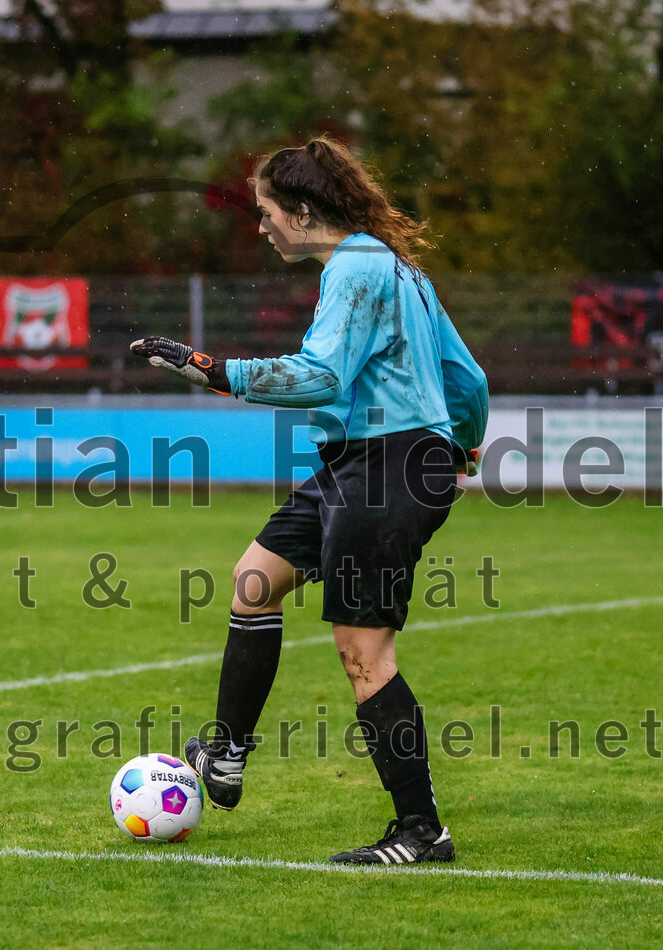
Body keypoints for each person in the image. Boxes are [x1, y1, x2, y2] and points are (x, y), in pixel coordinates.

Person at [129, 136, 488, 865]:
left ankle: (422, 831)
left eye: (265, 212)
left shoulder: (356, 266)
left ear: (301, 208)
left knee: (363, 653)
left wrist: (212, 369)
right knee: (254, 579)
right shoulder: (398, 267)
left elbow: (321, 375)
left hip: (386, 466)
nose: (260, 227)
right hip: (367, 462)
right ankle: (225, 754)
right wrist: (463, 442)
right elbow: (468, 378)